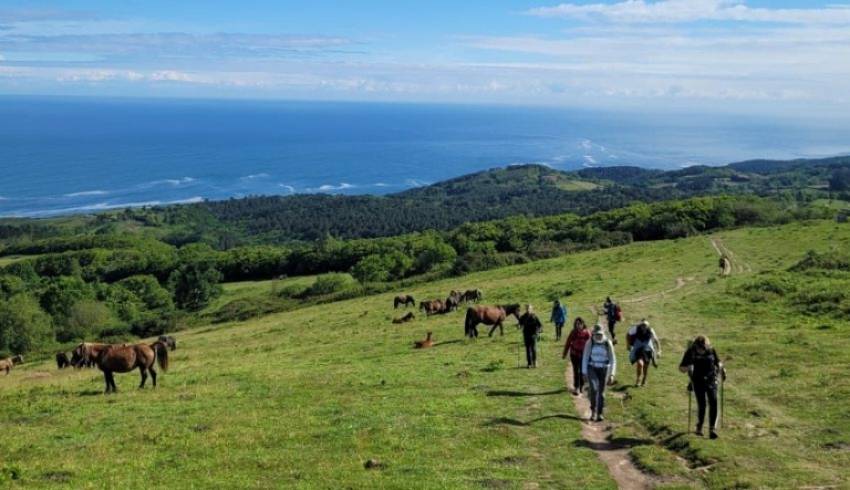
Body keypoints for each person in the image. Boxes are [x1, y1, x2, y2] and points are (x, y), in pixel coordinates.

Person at [679, 335, 726, 439]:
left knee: (714, 402)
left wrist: (722, 368)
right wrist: (688, 368)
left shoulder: (711, 350)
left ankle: (712, 429)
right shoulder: (691, 352)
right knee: (702, 404)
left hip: (711, 379)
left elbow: (717, 362)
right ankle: (699, 426)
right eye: (699, 349)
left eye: (703, 348)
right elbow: (681, 368)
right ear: (696, 346)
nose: (701, 351)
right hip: (697, 380)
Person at [581, 324, 616, 421]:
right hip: (592, 368)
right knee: (594, 389)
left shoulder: (608, 343)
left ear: (603, 334)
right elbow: (585, 357)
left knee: (601, 392)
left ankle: (600, 413)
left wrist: (612, 374)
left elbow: (613, 359)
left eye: (600, 334)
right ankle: (593, 411)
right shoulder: (590, 342)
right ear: (593, 334)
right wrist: (584, 372)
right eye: (596, 334)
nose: (598, 336)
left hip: (604, 369)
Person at [627, 319, 661, 387]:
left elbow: (656, 340)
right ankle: (638, 379)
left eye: (645, 325)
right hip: (638, 348)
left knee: (646, 366)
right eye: (642, 325)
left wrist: (659, 350)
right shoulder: (635, 328)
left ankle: (644, 379)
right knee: (640, 363)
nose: (643, 327)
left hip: (647, 349)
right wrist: (628, 345)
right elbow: (628, 335)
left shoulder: (651, 330)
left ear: (648, 326)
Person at [562, 317, 590, 395]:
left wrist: (591, 355)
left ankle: (582, 386)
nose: (578, 325)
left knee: (582, 371)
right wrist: (564, 353)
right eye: (576, 324)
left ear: (583, 324)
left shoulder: (587, 333)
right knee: (576, 370)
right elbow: (568, 343)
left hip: (583, 355)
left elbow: (591, 344)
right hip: (574, 354)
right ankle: (576, 387)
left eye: (579, 324)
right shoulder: (573, 332)